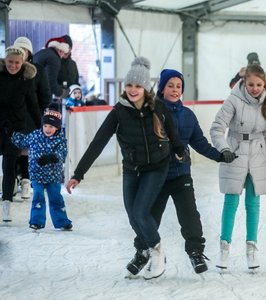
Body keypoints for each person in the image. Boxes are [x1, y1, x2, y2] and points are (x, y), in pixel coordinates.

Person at [65, 57, 189, 280]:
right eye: (130, 85)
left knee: (141, 212)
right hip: (132, 169)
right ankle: (143, 250)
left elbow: (172, 132)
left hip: (156, 167)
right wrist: (78, 174)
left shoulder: (157, 107)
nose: (133, 90)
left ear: (145, 88)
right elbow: (98, 142)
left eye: (138, 86)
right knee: (133, 217)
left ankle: (156, 252)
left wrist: (180, 149)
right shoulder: (119, 112)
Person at [128, 69, 225, 276]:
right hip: (156, 177)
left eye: (178, 86)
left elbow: (199, 142)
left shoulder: (187, 115)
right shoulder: (151, 112)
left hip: (181, 174)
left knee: (190, 215)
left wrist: (220, 156)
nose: (174, 90)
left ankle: (196, 252)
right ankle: (143, 251)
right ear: (162, 88)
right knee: (149, 217)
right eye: (170, 85)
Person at [210, 64, 266, 271]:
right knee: (231, 201)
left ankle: (251, 249)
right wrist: (223, 149)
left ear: (264, 84)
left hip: (258, 155)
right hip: (235, 153)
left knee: (253, 203)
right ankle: (224, 248)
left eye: (259, 84)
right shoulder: (233, 100)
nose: (255, 88)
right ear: (244, 82)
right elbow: (217, 128)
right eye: (251, 84)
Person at [11, 104, 71, 230]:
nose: (47, 129)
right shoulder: (36, 135)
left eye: (51, 126)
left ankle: (62, 221)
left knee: (56, 198)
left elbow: (62, 153)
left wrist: (51, 158)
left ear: (57, 127)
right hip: (36, 174)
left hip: (53, 176)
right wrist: (11, 133)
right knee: (38, 197)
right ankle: (36, 221)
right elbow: (23, 141)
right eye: (45, 126)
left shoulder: (60, 139)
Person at [1, 46, 41, 222]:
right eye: (10, 62)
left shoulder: (26, 80)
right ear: (5, 61)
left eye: (17, 62)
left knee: (9, 166)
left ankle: (6, 203)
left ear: (22, 63)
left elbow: (32, 104)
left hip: (14, 129)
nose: (13, 65)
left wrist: (41, 127)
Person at [12, 36, 52, 201]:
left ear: (29, 53)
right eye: (18, 50)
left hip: (30, 117)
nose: (22, 53)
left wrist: (40, 113)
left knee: (26, 152)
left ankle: (26, 182)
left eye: (24, 50)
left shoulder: (38, 71)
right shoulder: (9, 69)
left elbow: (45, 95)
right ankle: (12, 181)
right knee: (11, 151)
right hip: (11, 119)